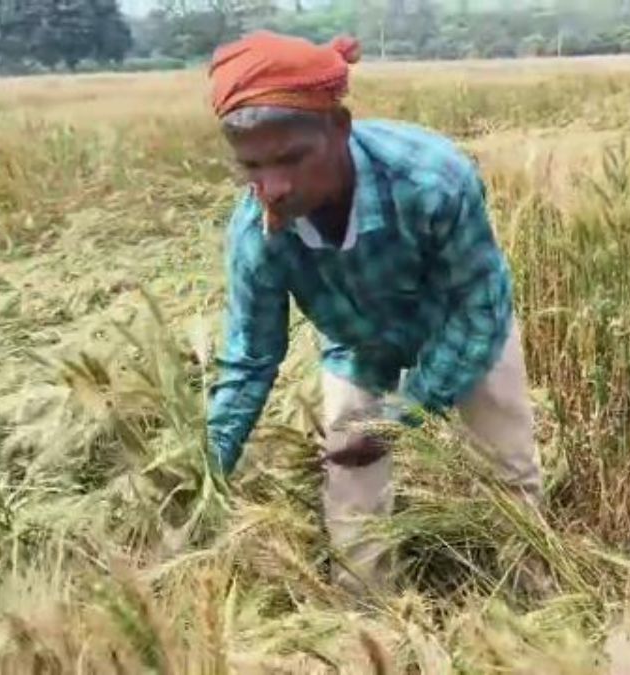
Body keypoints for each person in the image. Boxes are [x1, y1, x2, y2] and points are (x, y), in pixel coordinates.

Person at [205, 30, 545, 597]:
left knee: (508, 472)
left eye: (291, 158)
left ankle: (532, 604)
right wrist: (205, 470)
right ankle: (364, 625)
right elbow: (250, 359)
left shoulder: (432, 180)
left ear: (340, 128)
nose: (272, 187)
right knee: (353, 494)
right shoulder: (256, 235)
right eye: (251, 167)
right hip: (359, 343)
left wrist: (398, 420)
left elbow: (477, 308)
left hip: (461, 322)